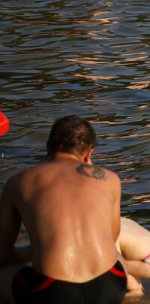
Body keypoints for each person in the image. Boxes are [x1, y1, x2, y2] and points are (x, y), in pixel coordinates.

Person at [0, 117, 126, 304]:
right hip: (109, 286)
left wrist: (34, 252)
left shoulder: (18, 182)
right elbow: (112, 238)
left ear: (47, 147)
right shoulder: (111, 179)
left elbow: (2, 254)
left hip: (55, 291)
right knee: (118, 257)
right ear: (89, 152)